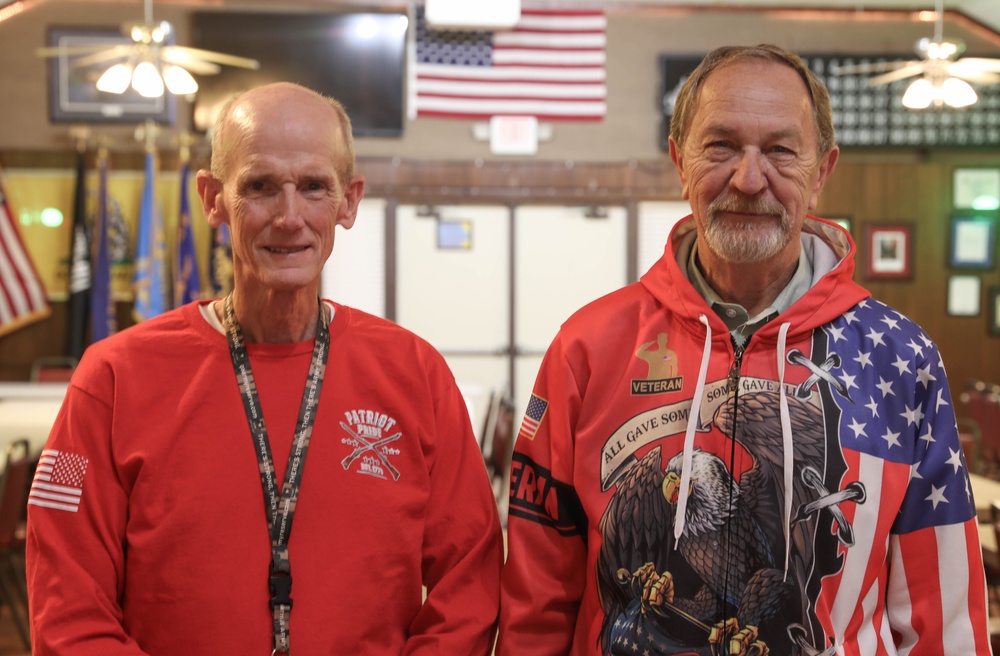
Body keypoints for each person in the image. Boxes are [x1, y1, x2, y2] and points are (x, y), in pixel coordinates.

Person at [497, 45, 990, 656]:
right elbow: (536, 602)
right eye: (721, 145)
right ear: (680, 160)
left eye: (780, 150)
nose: (749, 179)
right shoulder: (588, 347)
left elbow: (943, 619)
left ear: (822, 170)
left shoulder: (901, 357)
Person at [27, 82, 504, 655]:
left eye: (313, 187)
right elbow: (68, 606)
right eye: (259, 186)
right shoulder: (113, 378)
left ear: (348, 201)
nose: (288, 216)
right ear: (212, 198)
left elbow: (470, 585)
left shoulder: (415, 374)